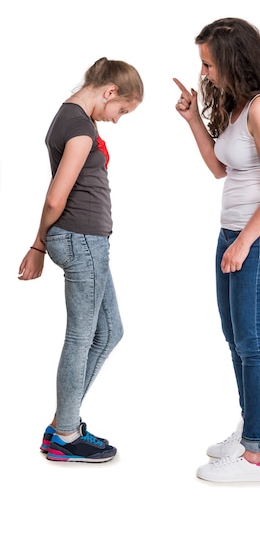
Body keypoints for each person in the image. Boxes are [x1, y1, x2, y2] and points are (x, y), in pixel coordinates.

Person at [174, 17, 260, 483]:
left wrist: (246, 242)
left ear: (232, 59)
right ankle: (249, 427)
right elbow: (219, 169)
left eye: (208, 64)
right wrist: (193, 118)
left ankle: (256, 457)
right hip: (233, 235)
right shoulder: (238, 106)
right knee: (237, 341)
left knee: (254, 344)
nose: (204, 73)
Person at [18, 57, 144, 462]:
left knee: (110, 331)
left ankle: (63, 423)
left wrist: (43, 243)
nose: (118, 119)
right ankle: (65, 434)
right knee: (81, 336)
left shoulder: (69, 117)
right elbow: (57, 196)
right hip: (81, 240)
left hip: (87, 241)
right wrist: (37, 244)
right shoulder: (80, 129)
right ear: (109, 92)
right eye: (121, 110)